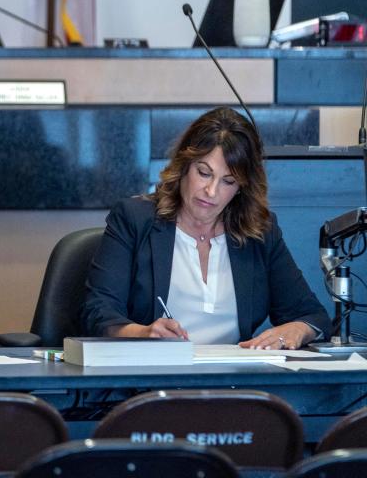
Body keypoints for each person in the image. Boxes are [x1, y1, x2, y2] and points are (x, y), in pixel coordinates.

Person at [83, 106, 330, 349]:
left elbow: (313, 316)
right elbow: (97, 311)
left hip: (232, 384)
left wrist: (298, 329)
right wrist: (143, 333)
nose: (211, 191)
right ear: (184, 166)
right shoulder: (134, 219)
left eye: (228, 181)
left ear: (241, 187)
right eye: (204, 173)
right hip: (151, 381)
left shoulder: (260, 232)